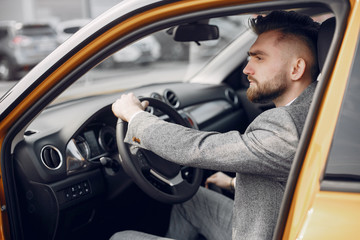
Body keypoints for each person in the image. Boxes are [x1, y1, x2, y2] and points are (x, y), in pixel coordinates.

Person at [111, 10, 320, 240]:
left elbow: (199, 148)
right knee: (190, 200)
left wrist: (136, 117)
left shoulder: (286, 126)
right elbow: (286, 172)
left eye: (259, 58)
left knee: (121, 238)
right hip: (273, 221)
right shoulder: (317, 105)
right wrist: (233, 182)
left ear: (296, 69)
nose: (246, 69)